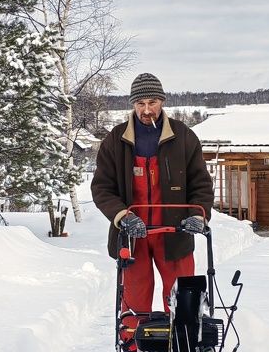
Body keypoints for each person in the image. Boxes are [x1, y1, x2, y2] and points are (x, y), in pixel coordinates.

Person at [91, 72, 214, 317]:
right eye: (140, 104)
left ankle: (183, 349)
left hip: (174, 232)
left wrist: (198, 216)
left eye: (152, 103)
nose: (147, 110)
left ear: (162, 101)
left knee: (182, 298)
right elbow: (102, 187)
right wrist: (122, 216)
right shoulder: (116, 140)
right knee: (135, 300)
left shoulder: (183, 137)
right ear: (133, 104)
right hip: (133, 234)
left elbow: (200, 183)